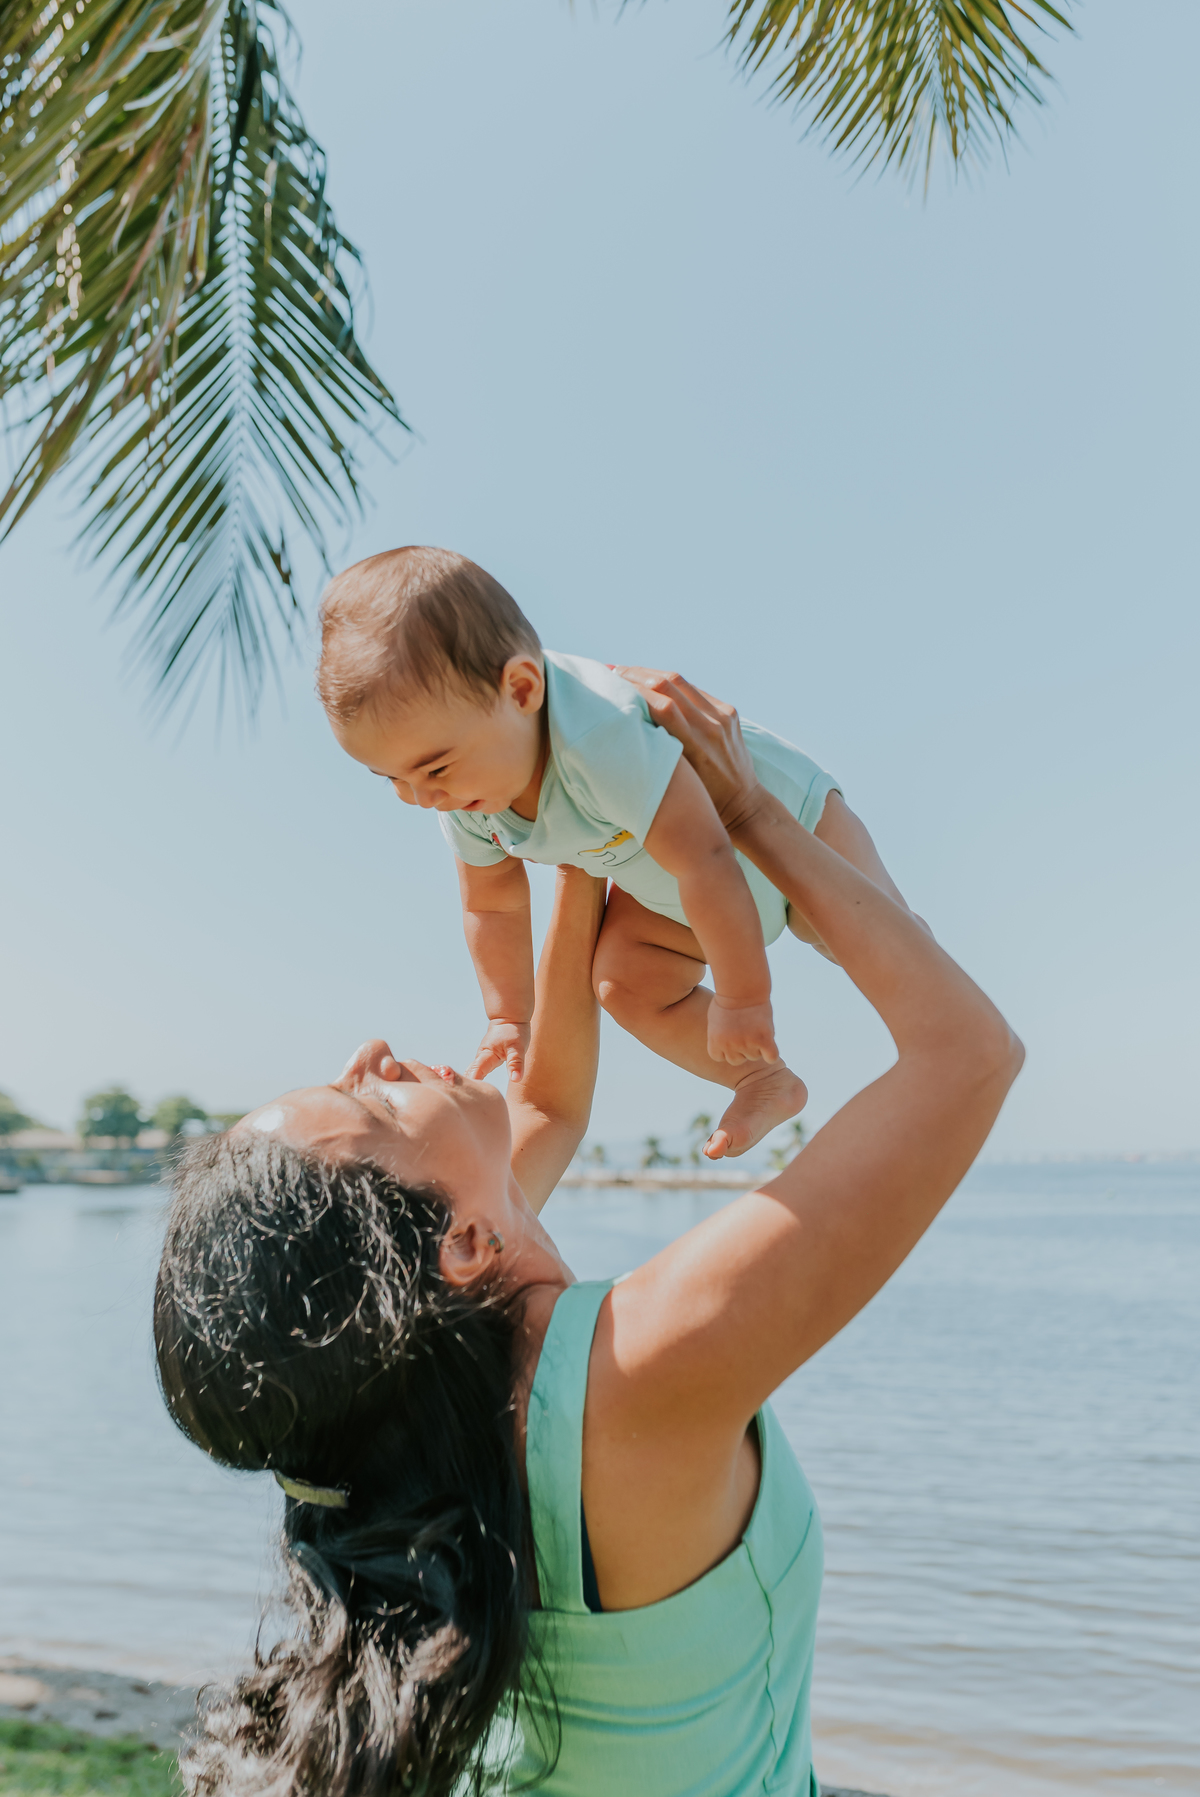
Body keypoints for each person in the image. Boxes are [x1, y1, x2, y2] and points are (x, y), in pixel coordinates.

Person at [154, 672, 1022, 1797]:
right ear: (461, 1247)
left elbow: (551, 1099)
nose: (368, 1051)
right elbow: (966, 1053)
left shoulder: (411, 1416)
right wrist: (750, 814)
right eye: (365, 1106)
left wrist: (585, 824)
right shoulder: (633, 1372)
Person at [315, 546, 920, 1159]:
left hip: (787, 825)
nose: (419, 798)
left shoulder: (598, 737)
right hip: (676, 893)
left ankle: (941, 1032)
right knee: (624, 980)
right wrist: (507, 1014)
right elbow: (491, 906)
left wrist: (743, 999)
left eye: (434, 767)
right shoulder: (468, 797)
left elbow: (706, 858)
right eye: (388, 778)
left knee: (878, 941)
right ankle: (761, 1077)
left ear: (521, 689)